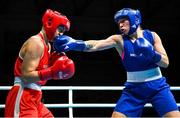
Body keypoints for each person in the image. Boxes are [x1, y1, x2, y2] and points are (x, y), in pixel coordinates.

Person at [53, 8, 180, 117]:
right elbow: (96, 45)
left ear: (134, 19)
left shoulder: (152, 36)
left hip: (157, 86)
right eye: (118, 23)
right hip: (133, 89)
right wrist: (76, 44)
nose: (120, 25)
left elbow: (165, 62)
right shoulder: (119, 40)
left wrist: (151, 53)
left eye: (123, 21)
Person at [4, 9, 75, 117]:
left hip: (35, 97)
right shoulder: (36, 43)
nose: (61, 34)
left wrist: (59, 59)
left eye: (63, 31)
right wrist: (52, 72)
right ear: (50, 23)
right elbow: (26, 76)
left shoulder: (48, 46)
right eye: (60, 29)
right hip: (23, 95)